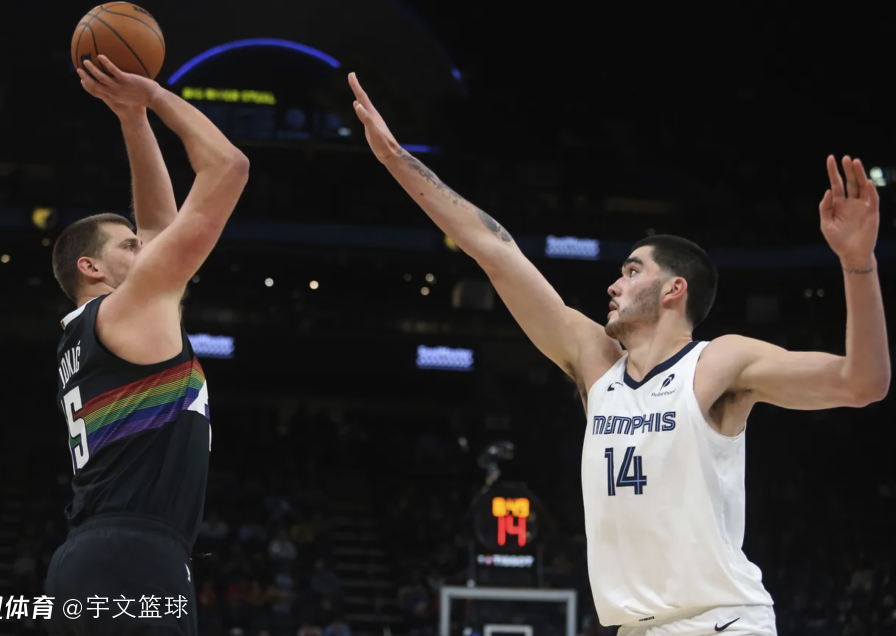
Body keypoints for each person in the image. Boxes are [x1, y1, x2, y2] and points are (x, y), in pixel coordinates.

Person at [348, 73, 890, 635]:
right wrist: (396, 160)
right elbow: (494, 250)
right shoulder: (598, 366)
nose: (613, 285)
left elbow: (863, 383)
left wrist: (858, 263)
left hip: (721, 622)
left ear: (675, 289)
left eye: (632, 272)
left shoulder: (717, 363)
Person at [46, 55, 249, 636]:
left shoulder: (95, 330)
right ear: (91, 267)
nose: (147, 248)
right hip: (131, 560)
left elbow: (160, 228)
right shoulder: (129, 311)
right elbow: (229, 167)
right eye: (129, 246)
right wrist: (154, 96)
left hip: (92, 557)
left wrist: (132, 118)